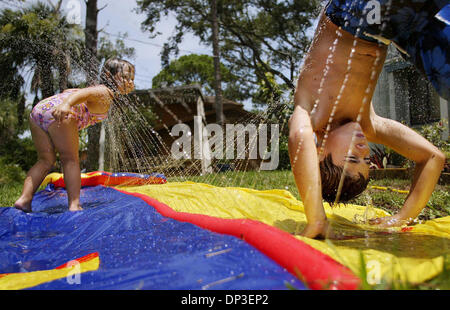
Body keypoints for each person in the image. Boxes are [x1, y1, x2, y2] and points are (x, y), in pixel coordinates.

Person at [289, 0, 448, 239]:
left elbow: (297, 138)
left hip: (352, 13)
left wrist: (317, 219)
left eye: (352, 157)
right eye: (366, 160)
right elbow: (433, 158)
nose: (364, 149)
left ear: (319, 151)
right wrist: (401, 217)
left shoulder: (311, 112)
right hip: (393, 30)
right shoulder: (368, 124)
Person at [14, 58, 135, 212]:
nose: (129, 82)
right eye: (125, 77)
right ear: (108, 75)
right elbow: (83, 93)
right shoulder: (105, 91)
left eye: (132, 79)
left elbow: (69, 93)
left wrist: (67, 101)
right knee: (70, 160)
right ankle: (74, 205)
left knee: (45, 160)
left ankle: (24, 199)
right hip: (62, 113)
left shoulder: (104, 94)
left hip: (39, 111)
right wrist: (67, 105)